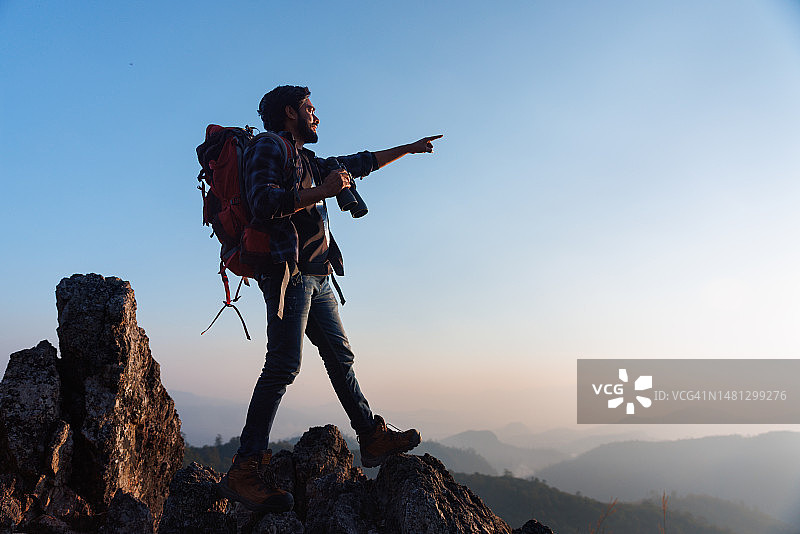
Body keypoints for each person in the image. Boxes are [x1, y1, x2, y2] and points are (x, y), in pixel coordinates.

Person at [217, 85, 442, 512]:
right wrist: (320, 192)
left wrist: (410, 149)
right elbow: (262, 202)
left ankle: (371, 438)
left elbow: (361, 162)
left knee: (341, 356)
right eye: (310, 109)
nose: (316, 116)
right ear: (290, 112)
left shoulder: (305, 159)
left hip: (318, 277)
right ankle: (244, 469)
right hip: (290, 273)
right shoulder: (268, 146)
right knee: (283, 365)